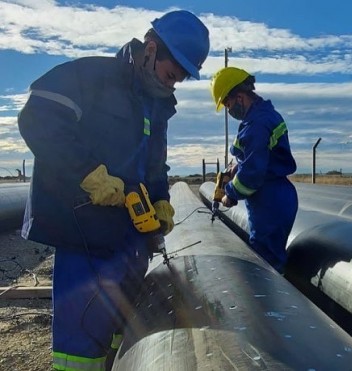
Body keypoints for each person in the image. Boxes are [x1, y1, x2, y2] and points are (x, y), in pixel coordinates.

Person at [17, 10, 209, 370]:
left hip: (130, 238)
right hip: (85, 234)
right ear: (151, 49)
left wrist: (162, 202)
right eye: (170, 75)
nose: (172, 85)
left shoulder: (159, 105)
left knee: (123, 331)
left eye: (179, 81)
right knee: (81, 344)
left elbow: (155, 166)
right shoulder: (91, 76)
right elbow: (37, 119)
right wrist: (88, 175)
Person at [210, 67, 298, 274]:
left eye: (228, 104)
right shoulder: (262, 116)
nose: (229, 110)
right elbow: (256, 157)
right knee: (268, 256)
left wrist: (229, 195)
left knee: (266, 264)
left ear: (240, 97)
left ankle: (270, 304)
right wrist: (235, 166)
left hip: (270, 200)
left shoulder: (256, 125)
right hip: (274, 196)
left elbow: (251, 176)